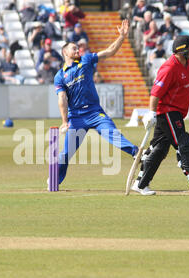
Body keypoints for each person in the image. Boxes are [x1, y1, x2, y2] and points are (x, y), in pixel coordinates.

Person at [52, 20, 139, 187]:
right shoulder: (60, 76)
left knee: (112, 133)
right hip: (76, 117)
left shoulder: (86, 60)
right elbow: (62, 99)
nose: (77, 49)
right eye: (73, 48)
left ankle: (136, 152)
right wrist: (64, 122)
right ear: (64, 52)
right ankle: (54, 181)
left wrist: (121, 37)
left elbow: (110, 51)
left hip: (94, 113)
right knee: (65, 154)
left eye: (78, 47)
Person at [132, 35, 189, 196]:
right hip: (167, 111)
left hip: (177, 112)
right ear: (182, 51)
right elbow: (155, 92)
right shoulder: (169, 68)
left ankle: (141, 184)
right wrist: (151, 113)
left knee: (159, 149)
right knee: (184, 144)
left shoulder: (188, 65)